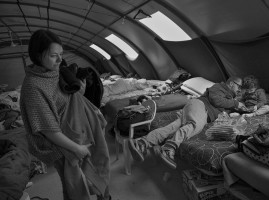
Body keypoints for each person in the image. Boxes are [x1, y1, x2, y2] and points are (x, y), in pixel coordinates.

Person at [20, 29, 110, 200]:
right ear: (38, 55)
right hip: (62, 145)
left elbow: (66, 99)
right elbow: (48, 130)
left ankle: (104, 195)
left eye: (61, 54)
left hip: (79, 132)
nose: (60, 60)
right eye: (54, 55)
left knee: (99, 164)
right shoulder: (33, 87)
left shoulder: (54, 72)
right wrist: (77, 148)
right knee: (75, 184)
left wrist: (79, 94)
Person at [128, 76, 246, 169]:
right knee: (195, 125)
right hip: (200, 106)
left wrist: (243, 107)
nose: (239, 90)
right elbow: (217, 101)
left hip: (195, 108)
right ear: (231, 83)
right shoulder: (218, 87)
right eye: (239, 87)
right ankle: (169, 148)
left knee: (172, 128)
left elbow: (226, 105)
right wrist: (236, 104)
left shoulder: (229, 97)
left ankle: (142, 143)